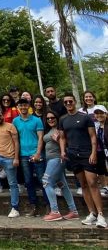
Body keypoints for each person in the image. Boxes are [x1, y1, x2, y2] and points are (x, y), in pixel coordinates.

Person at [59, 94, 106, 228]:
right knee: (83, 184)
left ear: (75, 102)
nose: (68, 103)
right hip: (73, 154)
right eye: (66, 102)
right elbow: (62, 138)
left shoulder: (85, 117)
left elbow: (93, 136)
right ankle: (92, 213)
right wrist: (63, 151)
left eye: (70, 101)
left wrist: (93, 153)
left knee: (92, 183)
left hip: (87, 153)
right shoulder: (63, 119)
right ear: (64, 104)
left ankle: (101, 215)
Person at [42, 110, 78, 221]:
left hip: (57, 159)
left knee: (46, 182)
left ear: (57, 118)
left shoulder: (61, 130)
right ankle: (74, 211)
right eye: (48, 118)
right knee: (63, 185)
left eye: (52, 117)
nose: (50, 120)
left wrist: (58, 140)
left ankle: (55, 211)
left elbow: (66, 143)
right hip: (51, 160)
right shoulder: (50, 130)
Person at [13, 98, 45, 217]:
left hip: (35, 153)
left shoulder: (37, 120)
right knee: (28, 181)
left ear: (29, 106)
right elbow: (15, 139)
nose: (23, 107)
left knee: (43, 181)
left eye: (25, 105)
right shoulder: (15, 121)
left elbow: (40, 138)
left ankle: (49, 206)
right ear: (18, 107)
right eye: (20, 105)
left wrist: (38, 153)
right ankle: (34, 206)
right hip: (23, 155)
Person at [92, 105, 108, 197]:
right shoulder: (98, 127)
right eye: (96, 113)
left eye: (101, 113)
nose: (99, 115)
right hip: (103, 151)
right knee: (104, 170)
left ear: (105, 113)